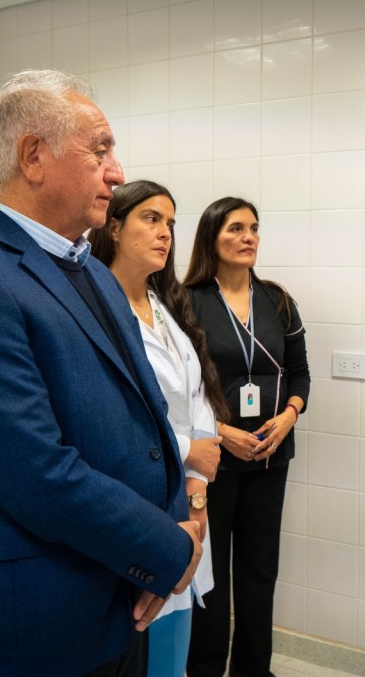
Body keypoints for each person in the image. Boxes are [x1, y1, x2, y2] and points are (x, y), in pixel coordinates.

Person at [0, 70, 202, 677]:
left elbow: (144, 421)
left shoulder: (90, 270)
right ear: (33, 156)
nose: (116, 173)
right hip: (35, 619)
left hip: (122, 593)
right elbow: (36, 469)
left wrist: (179, 521)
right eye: (100, 150)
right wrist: (170, 548)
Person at [88, 180, 229, 677]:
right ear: (113, 227)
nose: (165, 233)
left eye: (170, 222)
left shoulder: (164, 303)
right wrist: (189, 450)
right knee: (140, 639)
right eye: (151, 219)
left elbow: (197, 399)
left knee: (173, 649)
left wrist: (196, 491)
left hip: (186, 501)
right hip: (138, 496)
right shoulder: (93, 309)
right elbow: (106, 415)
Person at [184, 197, 311, 677]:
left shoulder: (277, 300)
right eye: (236, 228)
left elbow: (300, 374)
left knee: (260, 572)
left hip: (269, 457)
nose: (248, 236)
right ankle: (206, 670)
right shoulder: (186, 301)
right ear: (212, 239)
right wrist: (222, 432)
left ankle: (255, 670)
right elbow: (177, 388)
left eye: (254, 228)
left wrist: (289, 416)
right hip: (213, 457)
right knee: (209, 576)